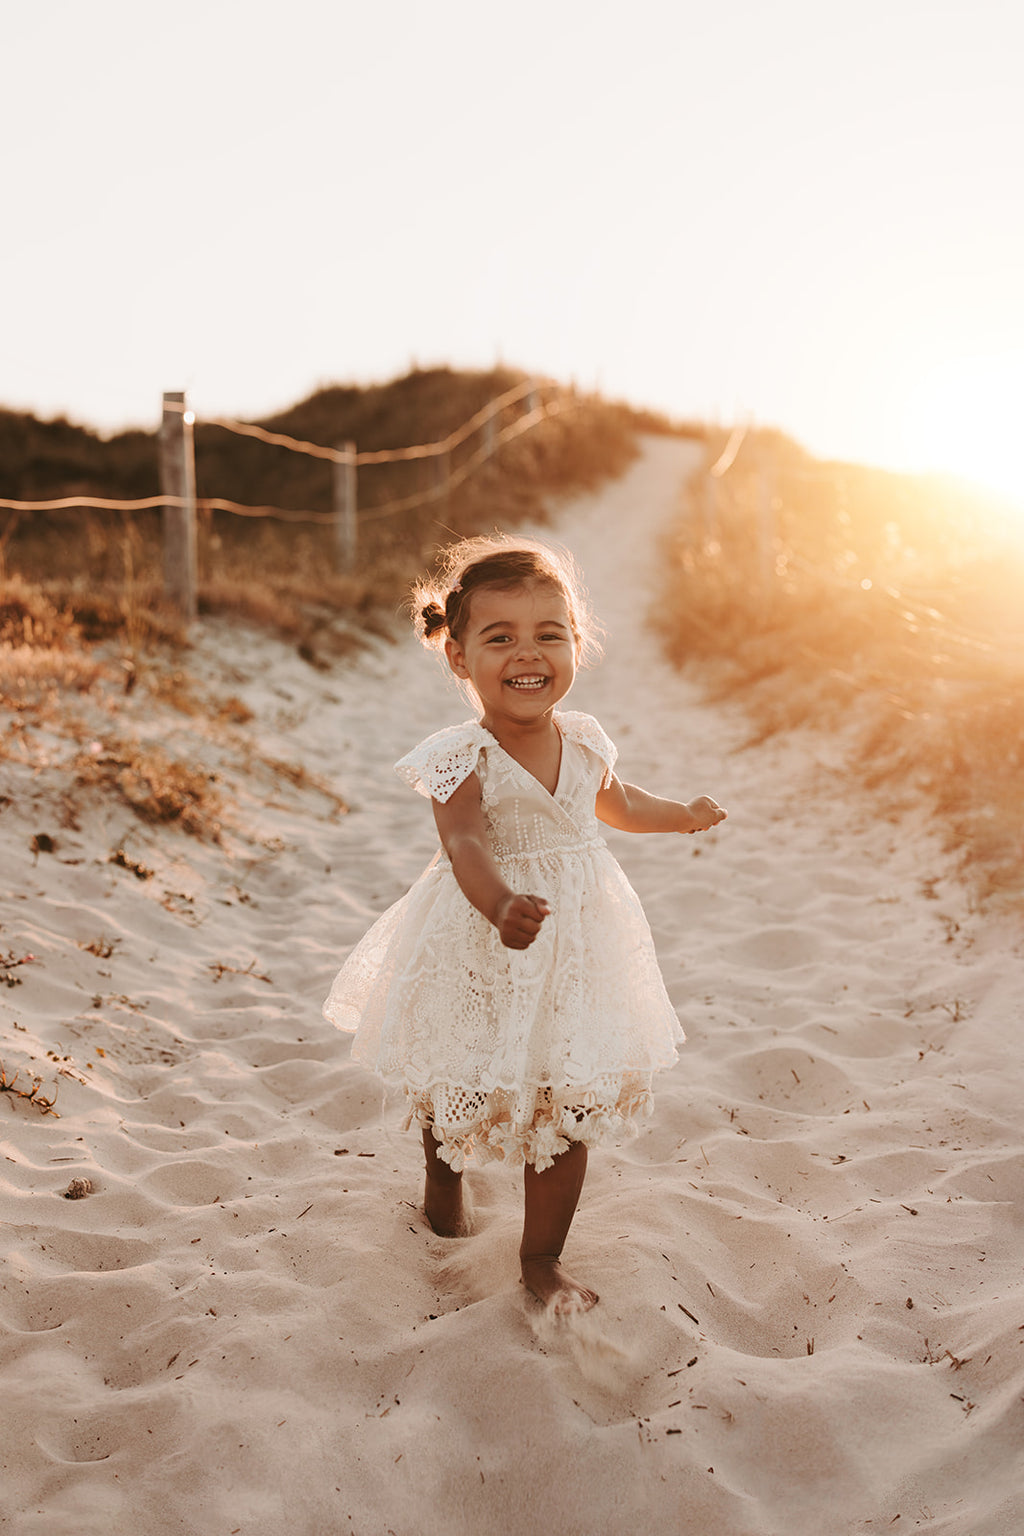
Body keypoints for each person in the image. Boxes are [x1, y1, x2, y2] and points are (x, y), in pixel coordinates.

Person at [323, 535, 726, 1313]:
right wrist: (500, 903)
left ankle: (541, 1258)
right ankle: (443, 1193)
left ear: (577, 645)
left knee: (567, 1095)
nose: (527, 654)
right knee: (457, 1078)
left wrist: (682, 816)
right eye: (499, 637)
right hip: (481, 935)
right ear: (460, 658)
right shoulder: (460, 756)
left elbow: (620, 803)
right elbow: (465, 841)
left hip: (574, 946)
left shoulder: (582, 739)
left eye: (550, 634)